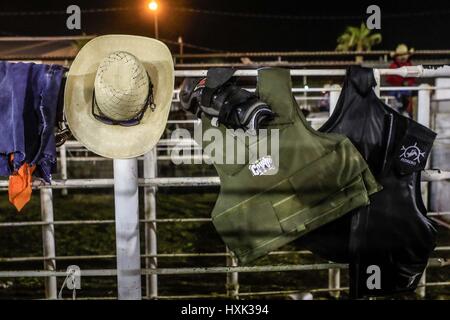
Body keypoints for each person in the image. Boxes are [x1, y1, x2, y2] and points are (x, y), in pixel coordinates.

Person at [386, 44, 416, 117]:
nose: (403, 57)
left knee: (413, 93)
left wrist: (407, 83)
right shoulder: (393, 66)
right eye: (401, 55)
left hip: (407, 90)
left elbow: (413, 78)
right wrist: (401, 83)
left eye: (404, 55)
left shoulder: (409, 64)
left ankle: (408, 113)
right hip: (395, 90)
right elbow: (389, 79)